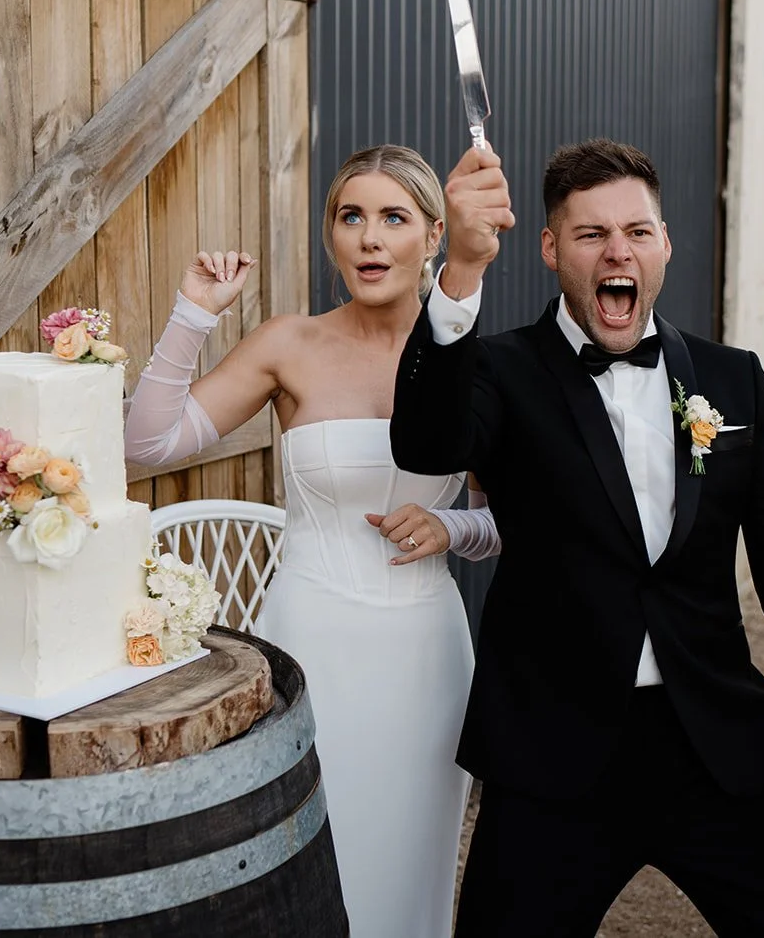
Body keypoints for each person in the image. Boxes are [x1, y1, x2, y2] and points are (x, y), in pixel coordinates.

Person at [389, 138, 764, 936]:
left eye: (637, 231)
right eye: (591, 234)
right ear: (551, 249)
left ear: (664, 244)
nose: (618, 250)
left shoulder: (735, 378)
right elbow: (425, 443)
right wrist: (462, 271)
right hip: (553, 753)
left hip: (715, 743)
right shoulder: (500, 371)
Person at [124, 145, 500, 937]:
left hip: (426, 658)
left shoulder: (476, 362)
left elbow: (507, 521)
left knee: (411, 868)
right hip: (310, 642)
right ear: (331, 234)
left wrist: (452, 524)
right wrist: (194, 312)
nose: (370, 238)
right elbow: (147, 443)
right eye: (350, 216)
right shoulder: (287, 344)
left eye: (393, 217)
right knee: (301, 863)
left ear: (436, 233)